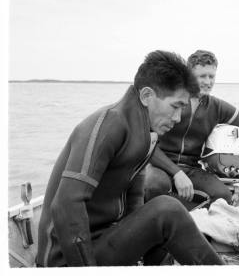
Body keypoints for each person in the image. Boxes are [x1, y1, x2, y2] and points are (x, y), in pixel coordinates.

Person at [36, 51, 224, 266]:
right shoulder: (108, 126)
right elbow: (65, 204)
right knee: (168, 209)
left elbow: (135, 198)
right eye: (175, 106)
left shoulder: (145, 134)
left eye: (182, 108)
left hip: (106, 239)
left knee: (158, 215)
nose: (177, 118)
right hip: (66, 259)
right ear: (146, 96)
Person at [144, 50, 239, 206]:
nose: (208, 81)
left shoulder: (216, 107)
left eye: (212, 76)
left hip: (191, 168)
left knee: (223, 196)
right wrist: (176, 173)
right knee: (154, 185)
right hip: (159, 165)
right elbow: (147, 141)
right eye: (202, 76)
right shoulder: (171, 100)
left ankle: (190, 220)